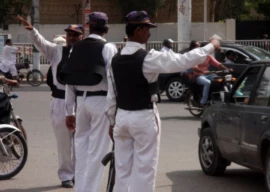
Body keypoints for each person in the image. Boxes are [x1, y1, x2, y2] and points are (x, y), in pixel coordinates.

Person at [106, 10, 220, 192]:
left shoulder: (115, 60)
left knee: (122, 172)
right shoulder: (148, 58)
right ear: (137, 30)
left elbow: (111, 95)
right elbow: (183, 61)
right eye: (146, 29)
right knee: (144, 172)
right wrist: (211, 46)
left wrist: (111, 121)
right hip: (143, 117)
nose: (149, 33)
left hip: (122, 119)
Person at [17, 15, 84, 188]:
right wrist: (32, 30)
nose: (72, 37)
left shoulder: (86, 54)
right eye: (69, 34)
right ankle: (66, 175)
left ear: (82, 37)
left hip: (81, 103)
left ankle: (79, 173)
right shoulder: (56, 51)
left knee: (81, 141)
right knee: (63, 142)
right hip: (60, 101)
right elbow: (41, 43)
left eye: (75, 35)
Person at [64, 12, 117, 192]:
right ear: (106, 28)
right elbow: (113, 81)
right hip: (101, 101)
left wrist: (68, 111)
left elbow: (69, 81)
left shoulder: (75, 47)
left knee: (81, 151)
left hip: (81, 102)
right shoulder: (108, 48)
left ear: (88, 27)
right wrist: (113, 114)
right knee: (97, 152)